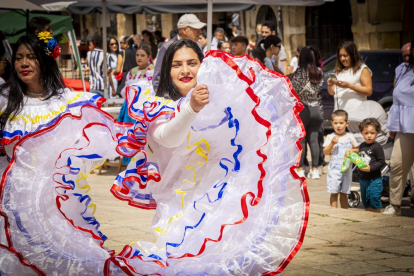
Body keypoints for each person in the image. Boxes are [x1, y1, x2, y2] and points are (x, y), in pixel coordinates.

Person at [109, 38, 307, 275]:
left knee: (222, 261)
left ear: (203, 66)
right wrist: (191, 108)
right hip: (177, 205)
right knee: (180, 262)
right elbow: (167, 137)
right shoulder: (155, 104)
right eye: (176, 64)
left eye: (192, 63)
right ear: (166, 70)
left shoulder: (222, 101)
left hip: (221, 197)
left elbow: (250, 138)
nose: (185, 70)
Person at [0, 34, 125, 275]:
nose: (24, 63)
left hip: (58, 197)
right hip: (14, 197)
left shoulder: (65, 101)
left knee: (63, 258)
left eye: (31, 57)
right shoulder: (5, 99)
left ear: (46, 60)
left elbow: (96, 133)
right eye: (19, 58)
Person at [384, 38, 414, 216]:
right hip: (405, 126)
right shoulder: (401, 69)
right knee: (396, 164)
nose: (407, 57)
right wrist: (393, 125)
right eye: (405, 54)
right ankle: (394, 205)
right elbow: (397, 99)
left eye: (409, 54)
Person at [291, 46, 324, 179]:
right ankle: (315, 169)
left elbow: (293, 89)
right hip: (316, 109)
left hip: (303, 110)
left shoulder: (300, 73)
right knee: (314, 140)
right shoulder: (319, 72)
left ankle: (300, 169)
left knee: (301, 141)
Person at [153, 13, 206, 93]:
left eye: (192, 63)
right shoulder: (167, 46)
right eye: (196, 29)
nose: (200, 32)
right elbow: (158, 76)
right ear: (184, 30)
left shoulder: (198, 45)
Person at [323, 110, 359, 209]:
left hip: (347, 169)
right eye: (335, 123)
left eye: (341, 123)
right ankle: (334, 211)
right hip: (335, 169)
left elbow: (357, 149)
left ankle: (344, 211)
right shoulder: (330, 137)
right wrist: (332, 144)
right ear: (332, 123)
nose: (338, 126)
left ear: (347, 123)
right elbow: (325, 152)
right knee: (334, 192)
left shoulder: (350, 137)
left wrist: (352, 150)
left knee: (344, 192)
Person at [327, 41, 372, 113]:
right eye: (340, 56)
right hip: (340, 115)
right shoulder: (338, 71)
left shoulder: (362, 69)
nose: (342, 59)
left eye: (345, 55)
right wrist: (330, 85)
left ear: (352, 55)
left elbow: (368, 91)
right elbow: (332, 92)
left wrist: (349, 85)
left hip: (357, 112)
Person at [357, 118, 386, 213]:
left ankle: (377, 214)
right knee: (365, 200)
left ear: (377, 132)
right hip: (363, 179)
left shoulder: (377, 147)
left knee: (374, 198)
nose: (369, 136)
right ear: (362, 133)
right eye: (366, 133)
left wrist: (371, 168)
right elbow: (360, 159)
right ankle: (369, 215)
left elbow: (381, 162)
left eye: (372, 133)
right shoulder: (362, 145)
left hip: (374, 180)